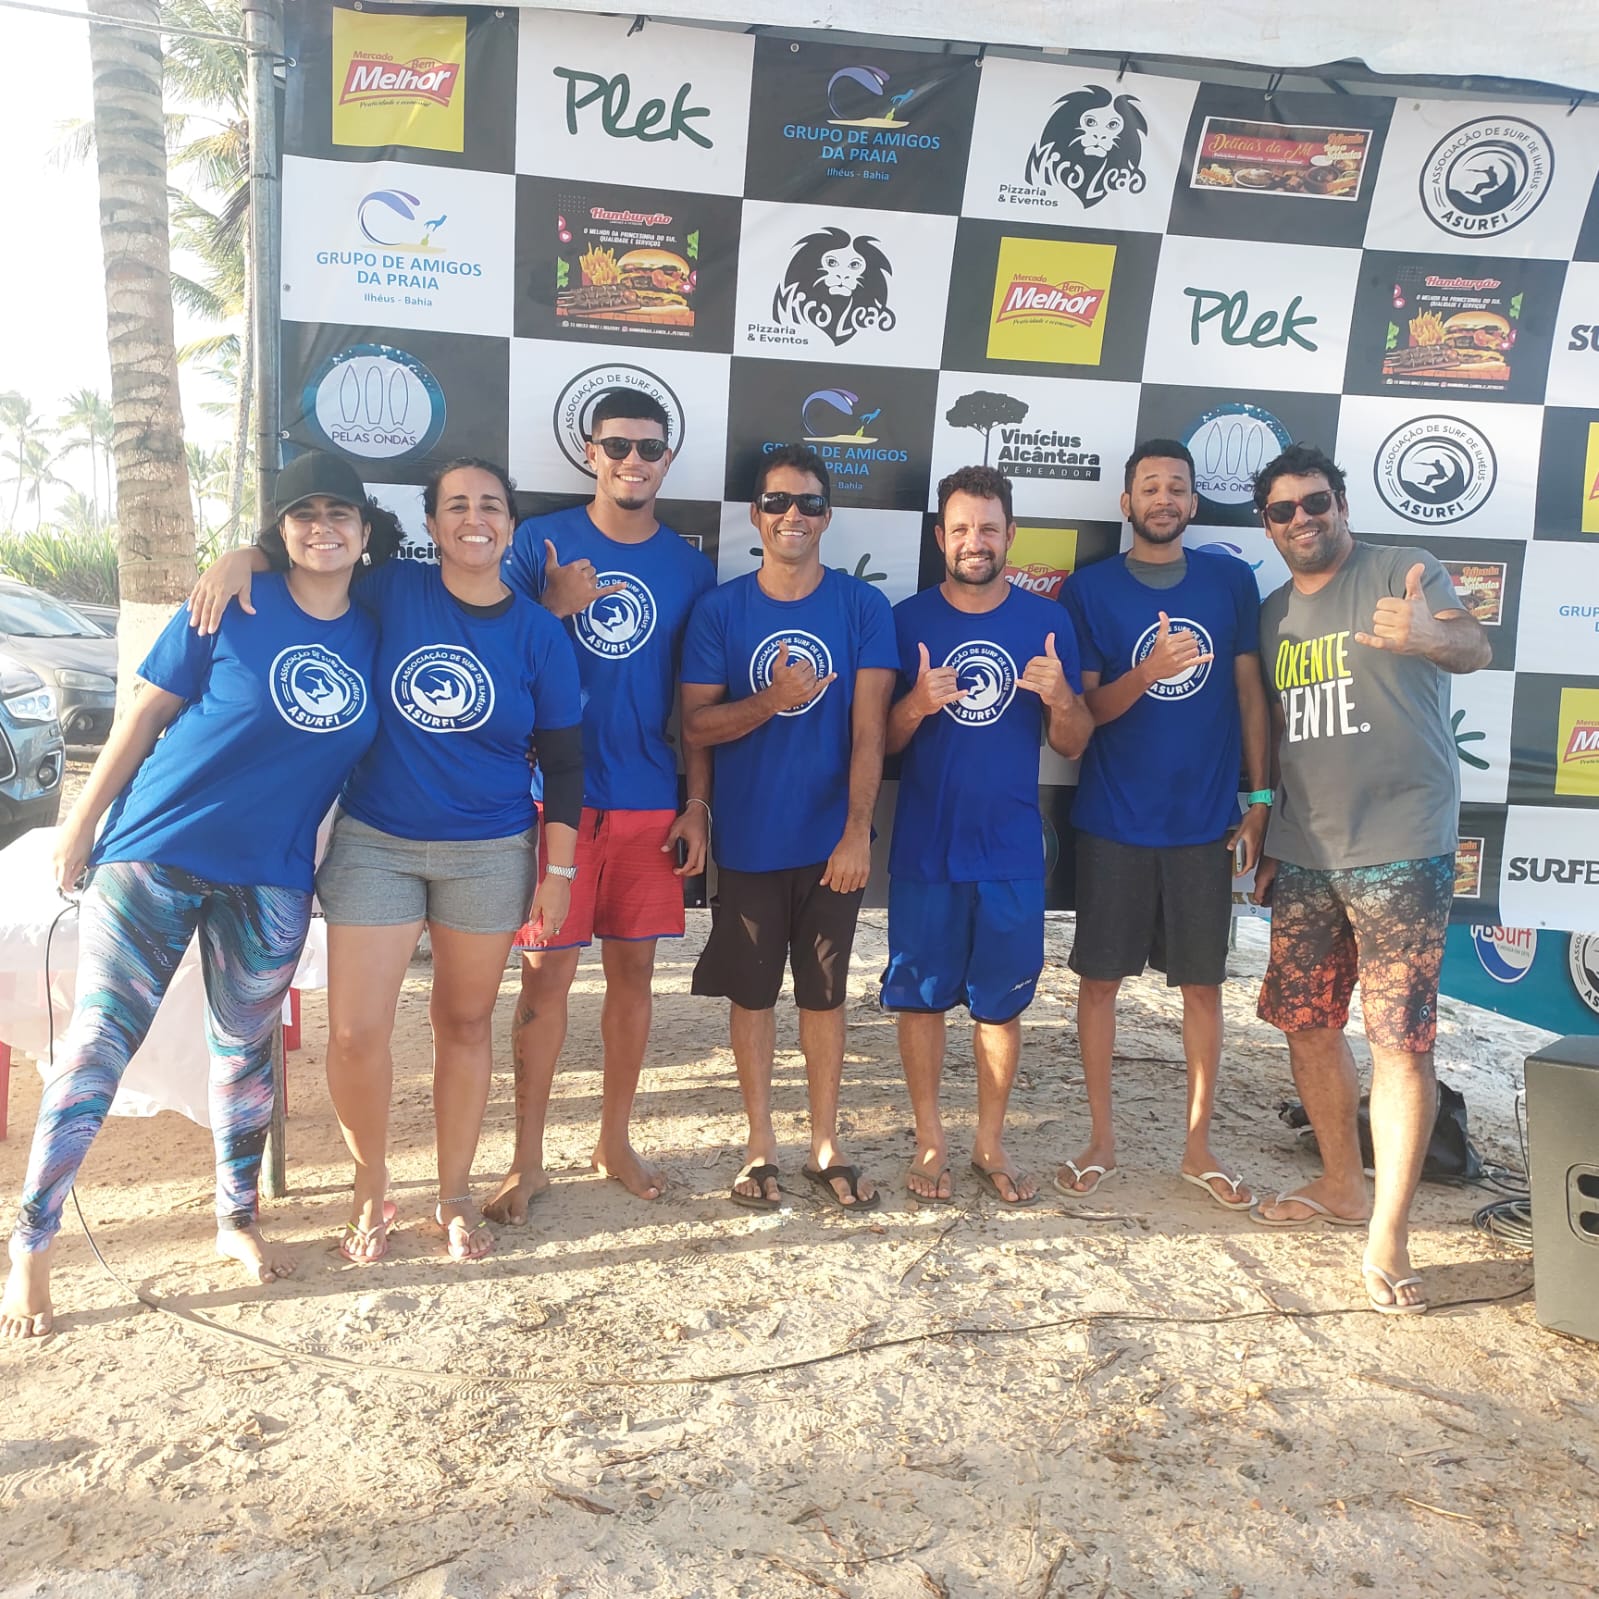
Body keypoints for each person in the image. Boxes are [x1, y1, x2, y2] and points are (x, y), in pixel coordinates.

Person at [1, 452, 394, 1339]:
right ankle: (32, 1243)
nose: (322, 527)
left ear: (365, 531)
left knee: (245, 1052)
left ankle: (235, 1220)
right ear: (279, 529)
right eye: (303, 514)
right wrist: (79, 824)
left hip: (274, 872)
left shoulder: (377, 629)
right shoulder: (231, 601)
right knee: (99, 1042)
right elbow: (143, 714)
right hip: (157, 850)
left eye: (339, 513)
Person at [187, 459, 584, 1264]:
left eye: (491, 506)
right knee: (356, 1031)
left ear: (511, 526)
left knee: (464, 1023)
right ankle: (370, 1184)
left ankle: (454, 1193)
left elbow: (567, 762)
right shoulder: (393, 589)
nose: (475, 518)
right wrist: (242, 558)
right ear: (431, 524)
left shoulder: (540, 633)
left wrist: (559, 872)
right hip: (376, 842)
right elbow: (311, 565)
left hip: (490, 851)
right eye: (456, 505)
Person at [1247, 442, 1490, 1314]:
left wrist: (1429, 635)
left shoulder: (1400, 569)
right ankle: (1342, 1184)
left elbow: (1471, 643)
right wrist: (1265, 818)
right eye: (1282, 510)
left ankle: (1388, 1229)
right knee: (1306, 1025)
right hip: (1306, 850)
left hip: (1401, 846)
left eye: (1315, 502)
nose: (1302, 519)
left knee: (1397, 1040)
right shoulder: (1271, 612)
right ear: (1267, 526)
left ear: (1341, 503)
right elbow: (1276, 732)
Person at [484, 390, 714, 1220]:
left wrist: (697, 802)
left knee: (634, 978)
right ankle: (527, 1157)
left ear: (666, 460)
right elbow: (488, 662)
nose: (632, 461)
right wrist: (552, 607)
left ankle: (614, 1139)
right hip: (554, 802)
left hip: (649, 799)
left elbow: (695, 702)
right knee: (544, 981)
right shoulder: (538, 543)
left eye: (649, 448)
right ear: (590, 451)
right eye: (617, 445)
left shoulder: (690, 569)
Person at [680, 444, 895, 1211]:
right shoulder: (720, 610)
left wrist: (857, 831)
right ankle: (759, 1146)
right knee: (751, 996)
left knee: (824, 995)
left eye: (807, 502)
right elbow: (695, 728)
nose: (791, 515)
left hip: (831, 844)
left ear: (827, 516)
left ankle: (826, 1144)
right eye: (776, 502)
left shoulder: (862, 607)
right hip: (748, 840)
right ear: (755, 515)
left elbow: (870, 733)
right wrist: (771, 700)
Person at [1055, 440, 1269, 1208]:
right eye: (1149, 487)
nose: (1163, 498)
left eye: (1176, 487)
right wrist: (1147, 672)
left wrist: (1260, 798)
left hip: (1202, 824)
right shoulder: (1089, 589)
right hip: (1113, 819)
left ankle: (1197, 1146)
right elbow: (1083, 714)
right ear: (1126, 503)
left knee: (1203, 989)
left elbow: (1249, 695)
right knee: (1099, 985)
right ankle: (1100, 1139)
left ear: (1192, 502)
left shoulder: (1229, 581)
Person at [883, 465, 1092, 1206]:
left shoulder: (1047, 622)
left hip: (1009, 851)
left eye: (989, 528)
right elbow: (879, 744)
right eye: (962, 528)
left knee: (1000, 1006)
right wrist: (915, 704)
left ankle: (989, 1141)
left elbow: (1073, 741)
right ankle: (930, 1140)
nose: (976, 541)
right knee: (920, 1000)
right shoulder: (905, 619)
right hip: (925, 848)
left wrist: (1060, 696)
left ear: (1011, 535)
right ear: (941, 537)